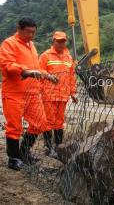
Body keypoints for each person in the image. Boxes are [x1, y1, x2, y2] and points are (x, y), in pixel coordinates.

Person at [0, 17, 58, 171]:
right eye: (29, 32)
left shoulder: (31, 45)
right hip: (14, 92)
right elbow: (7, 66)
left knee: (40, 124)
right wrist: (26, 72)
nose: (32, 36)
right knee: (14, 127)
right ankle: (13, 159)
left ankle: (24, 152)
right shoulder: (9, 44)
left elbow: (36, 67)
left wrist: (46, 75)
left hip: (32, 93)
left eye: (34, 32)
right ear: (19, 28)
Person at [39, 31, 77, 156]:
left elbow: (72, 76)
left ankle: (59, 146)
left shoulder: (69, 57)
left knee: (60, 121)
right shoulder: (45, 56)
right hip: (49, 95)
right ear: (53, 41)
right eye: (58, 41)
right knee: (49, 121)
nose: (61, 43)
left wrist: (73, 92)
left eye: (63, 41)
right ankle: (48, 147)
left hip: (63, 95)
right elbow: (39, 73)